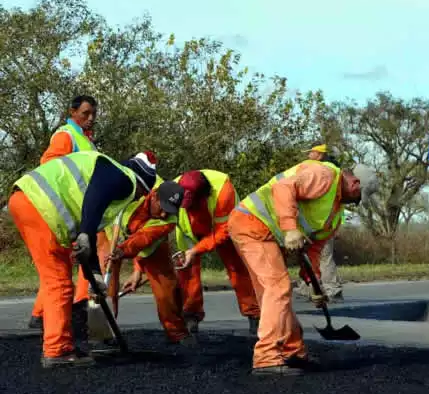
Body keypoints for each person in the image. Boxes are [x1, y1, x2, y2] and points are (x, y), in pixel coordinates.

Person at [7, 149, 161, 368]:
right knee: (59, 284)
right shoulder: (123, 177)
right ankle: (57, 351)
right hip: (41, 207)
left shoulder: (104, 171)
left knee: (55, 280)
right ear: (141, 184)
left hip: (25, 200)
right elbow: (95, 197)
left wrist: (95, 275)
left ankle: (58, 346)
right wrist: (86, 233)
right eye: (141, 194)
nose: (137, 199)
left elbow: (89, 217)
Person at [227, 158, 378, 376]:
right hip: (250, 222)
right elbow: (283, 187)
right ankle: (267, 358)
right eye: (357, 199)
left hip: (264, 232)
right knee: (278, 289)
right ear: (355, 184)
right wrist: (290, 228)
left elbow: (314, 251)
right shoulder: (324, 175)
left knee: (276, 294)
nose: (354, 203)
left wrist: (314, 285)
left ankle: (293, 351)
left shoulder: (333, 216)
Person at [28, 95, 104, 333]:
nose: (90, 118)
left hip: (76, 208)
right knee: (92, 248)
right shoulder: (66, 136)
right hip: (65, 209)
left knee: (62, 263)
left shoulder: (85, 140)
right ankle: (81, 303)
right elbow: (49, 165)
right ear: (72, 112)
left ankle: (41, 314)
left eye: (93, 113)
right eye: (85, 113)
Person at [105, 178, 192, 346]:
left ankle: (177, 332)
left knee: (166, 285)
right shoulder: (137, 186)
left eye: (170, 210)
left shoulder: (168, 221)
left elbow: (143, 239)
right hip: (111, 234)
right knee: (106, 285)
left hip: (143, 244)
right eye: (163, 208)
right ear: (154, 197)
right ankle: (105, 331)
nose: (163, 215)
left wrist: (127, 255)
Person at [172, 169, 260, 334]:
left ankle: (254, 313)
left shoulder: (223, 191)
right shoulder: (174, 188)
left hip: (223, 227)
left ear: (204, 195)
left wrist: (197, 249)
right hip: (188, 230)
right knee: (188, 270)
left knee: (237, 268)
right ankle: (191, 314)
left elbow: (222, 231)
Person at [295, 144, 344, 302]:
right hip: (322, 220)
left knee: (323, 256)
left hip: (322, 221)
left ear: (319, 154)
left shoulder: (323, 170)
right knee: (311, 255)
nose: (308, 155)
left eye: (311, 153)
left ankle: (332, 289)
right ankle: (307, 287)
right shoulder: (334, 169)